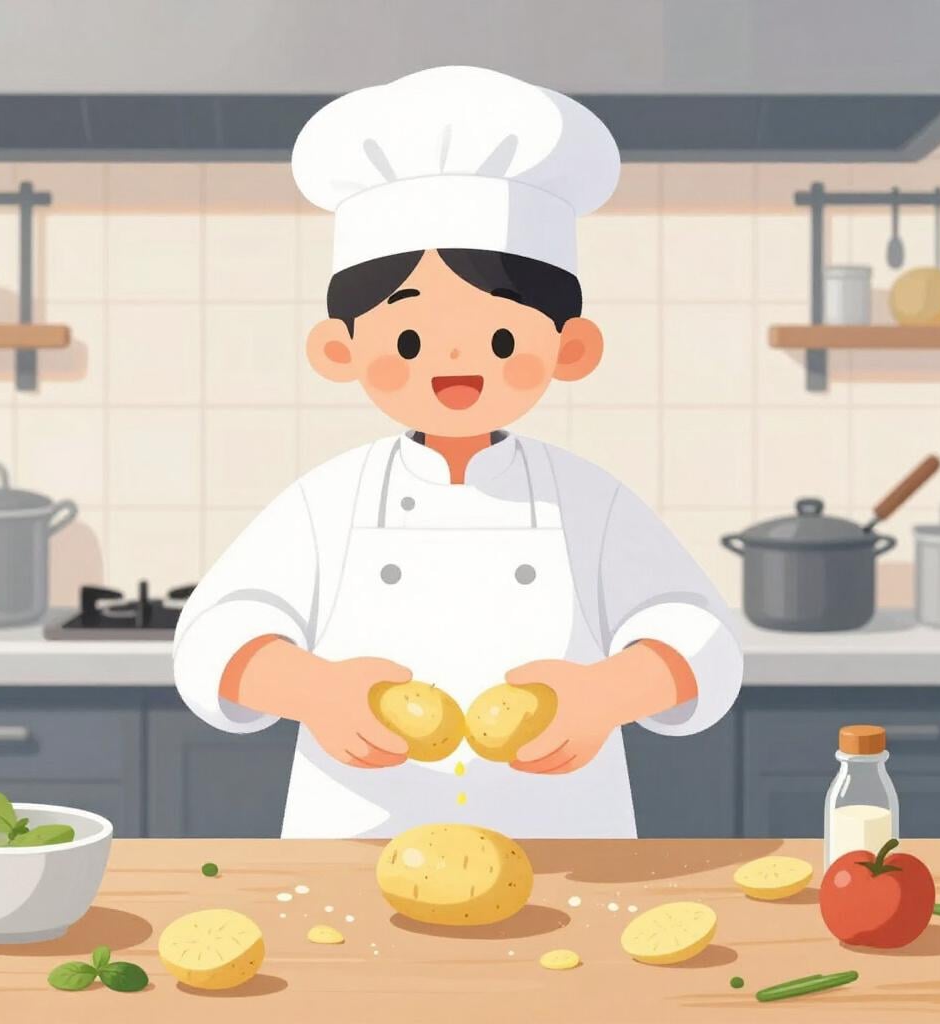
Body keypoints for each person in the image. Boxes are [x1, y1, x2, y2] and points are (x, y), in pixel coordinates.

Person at [174, 66, 743, 838]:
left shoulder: (586, 499)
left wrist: (609, 694)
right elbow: (215, 634)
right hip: (354, 842)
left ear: (571, 348)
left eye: (502, 338)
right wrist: (312, 690)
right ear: (339, 350)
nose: (453, 362)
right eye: (408, 339)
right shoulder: (328, 500)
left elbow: (698, 634)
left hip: (565, 840)